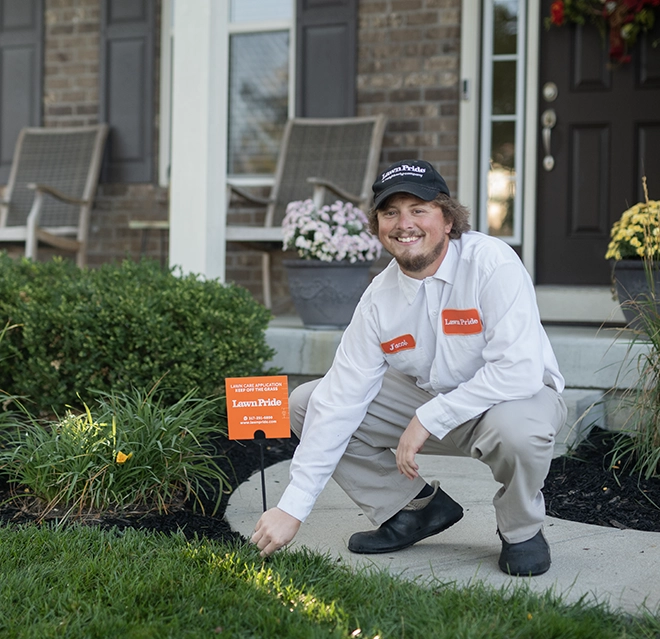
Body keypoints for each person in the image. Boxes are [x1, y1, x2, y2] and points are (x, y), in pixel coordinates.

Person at [252, 159, 566, 576]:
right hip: (430, 399)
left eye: (418, 209)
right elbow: (341, 399)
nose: (405, 224)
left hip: (509, 401)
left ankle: (521, 530)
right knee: (309, 403)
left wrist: (427, 418)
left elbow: (519, 369)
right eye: (390, 212)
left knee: (520, 432)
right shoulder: (379, 298)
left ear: (448, 219)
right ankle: (412, 510)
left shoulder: (493, 264)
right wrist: (292, 506)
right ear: (379, 226)